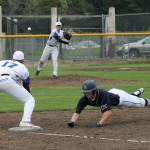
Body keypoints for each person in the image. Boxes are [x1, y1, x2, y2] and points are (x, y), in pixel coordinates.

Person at [67, 80, 148, 128]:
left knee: (140, 103)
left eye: (88, 92)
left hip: (121, 98)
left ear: (94, 91)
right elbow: (77, 111)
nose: (86, 94)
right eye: (85, 92)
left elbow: (108, 112)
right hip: (111, 95)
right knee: (132, 98)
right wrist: (72, 121)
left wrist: (99, 124)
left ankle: (138, 97)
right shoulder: (84, 99)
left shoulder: (103, 95)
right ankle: (137, 93)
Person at [0, 50, 41, 130]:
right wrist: (29, 95)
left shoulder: (2, 62)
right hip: (6, 80)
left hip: (5, 78)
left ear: (12, 58)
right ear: (23, 60)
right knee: (30, 100)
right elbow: (26, 85)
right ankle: (25, 122)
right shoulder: (23, 67)